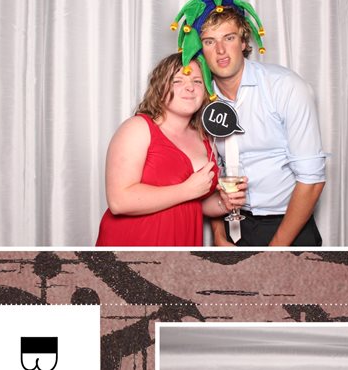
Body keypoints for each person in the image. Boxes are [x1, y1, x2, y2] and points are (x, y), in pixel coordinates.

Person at [170, 0, 326, 247]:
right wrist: (218, 234)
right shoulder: (200, 98)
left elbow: (312, 180)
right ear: (200, 49)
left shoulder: (285, 87)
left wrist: (274, 251)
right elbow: (210, 170)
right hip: (232, 227)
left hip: (287, 226)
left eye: (229, 37)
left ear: (243, 41)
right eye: (209, 41)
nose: (221, 50)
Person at [96, 53, 247, 247]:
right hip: (136, 241)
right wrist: (186, 190)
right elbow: (119, 201)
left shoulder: (206, 139)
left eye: (197, 81)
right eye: (178, 81)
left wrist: (223, 203)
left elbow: (196, 203)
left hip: (182, 242)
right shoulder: (137, 128)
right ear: (161, 88)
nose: (190, 87)